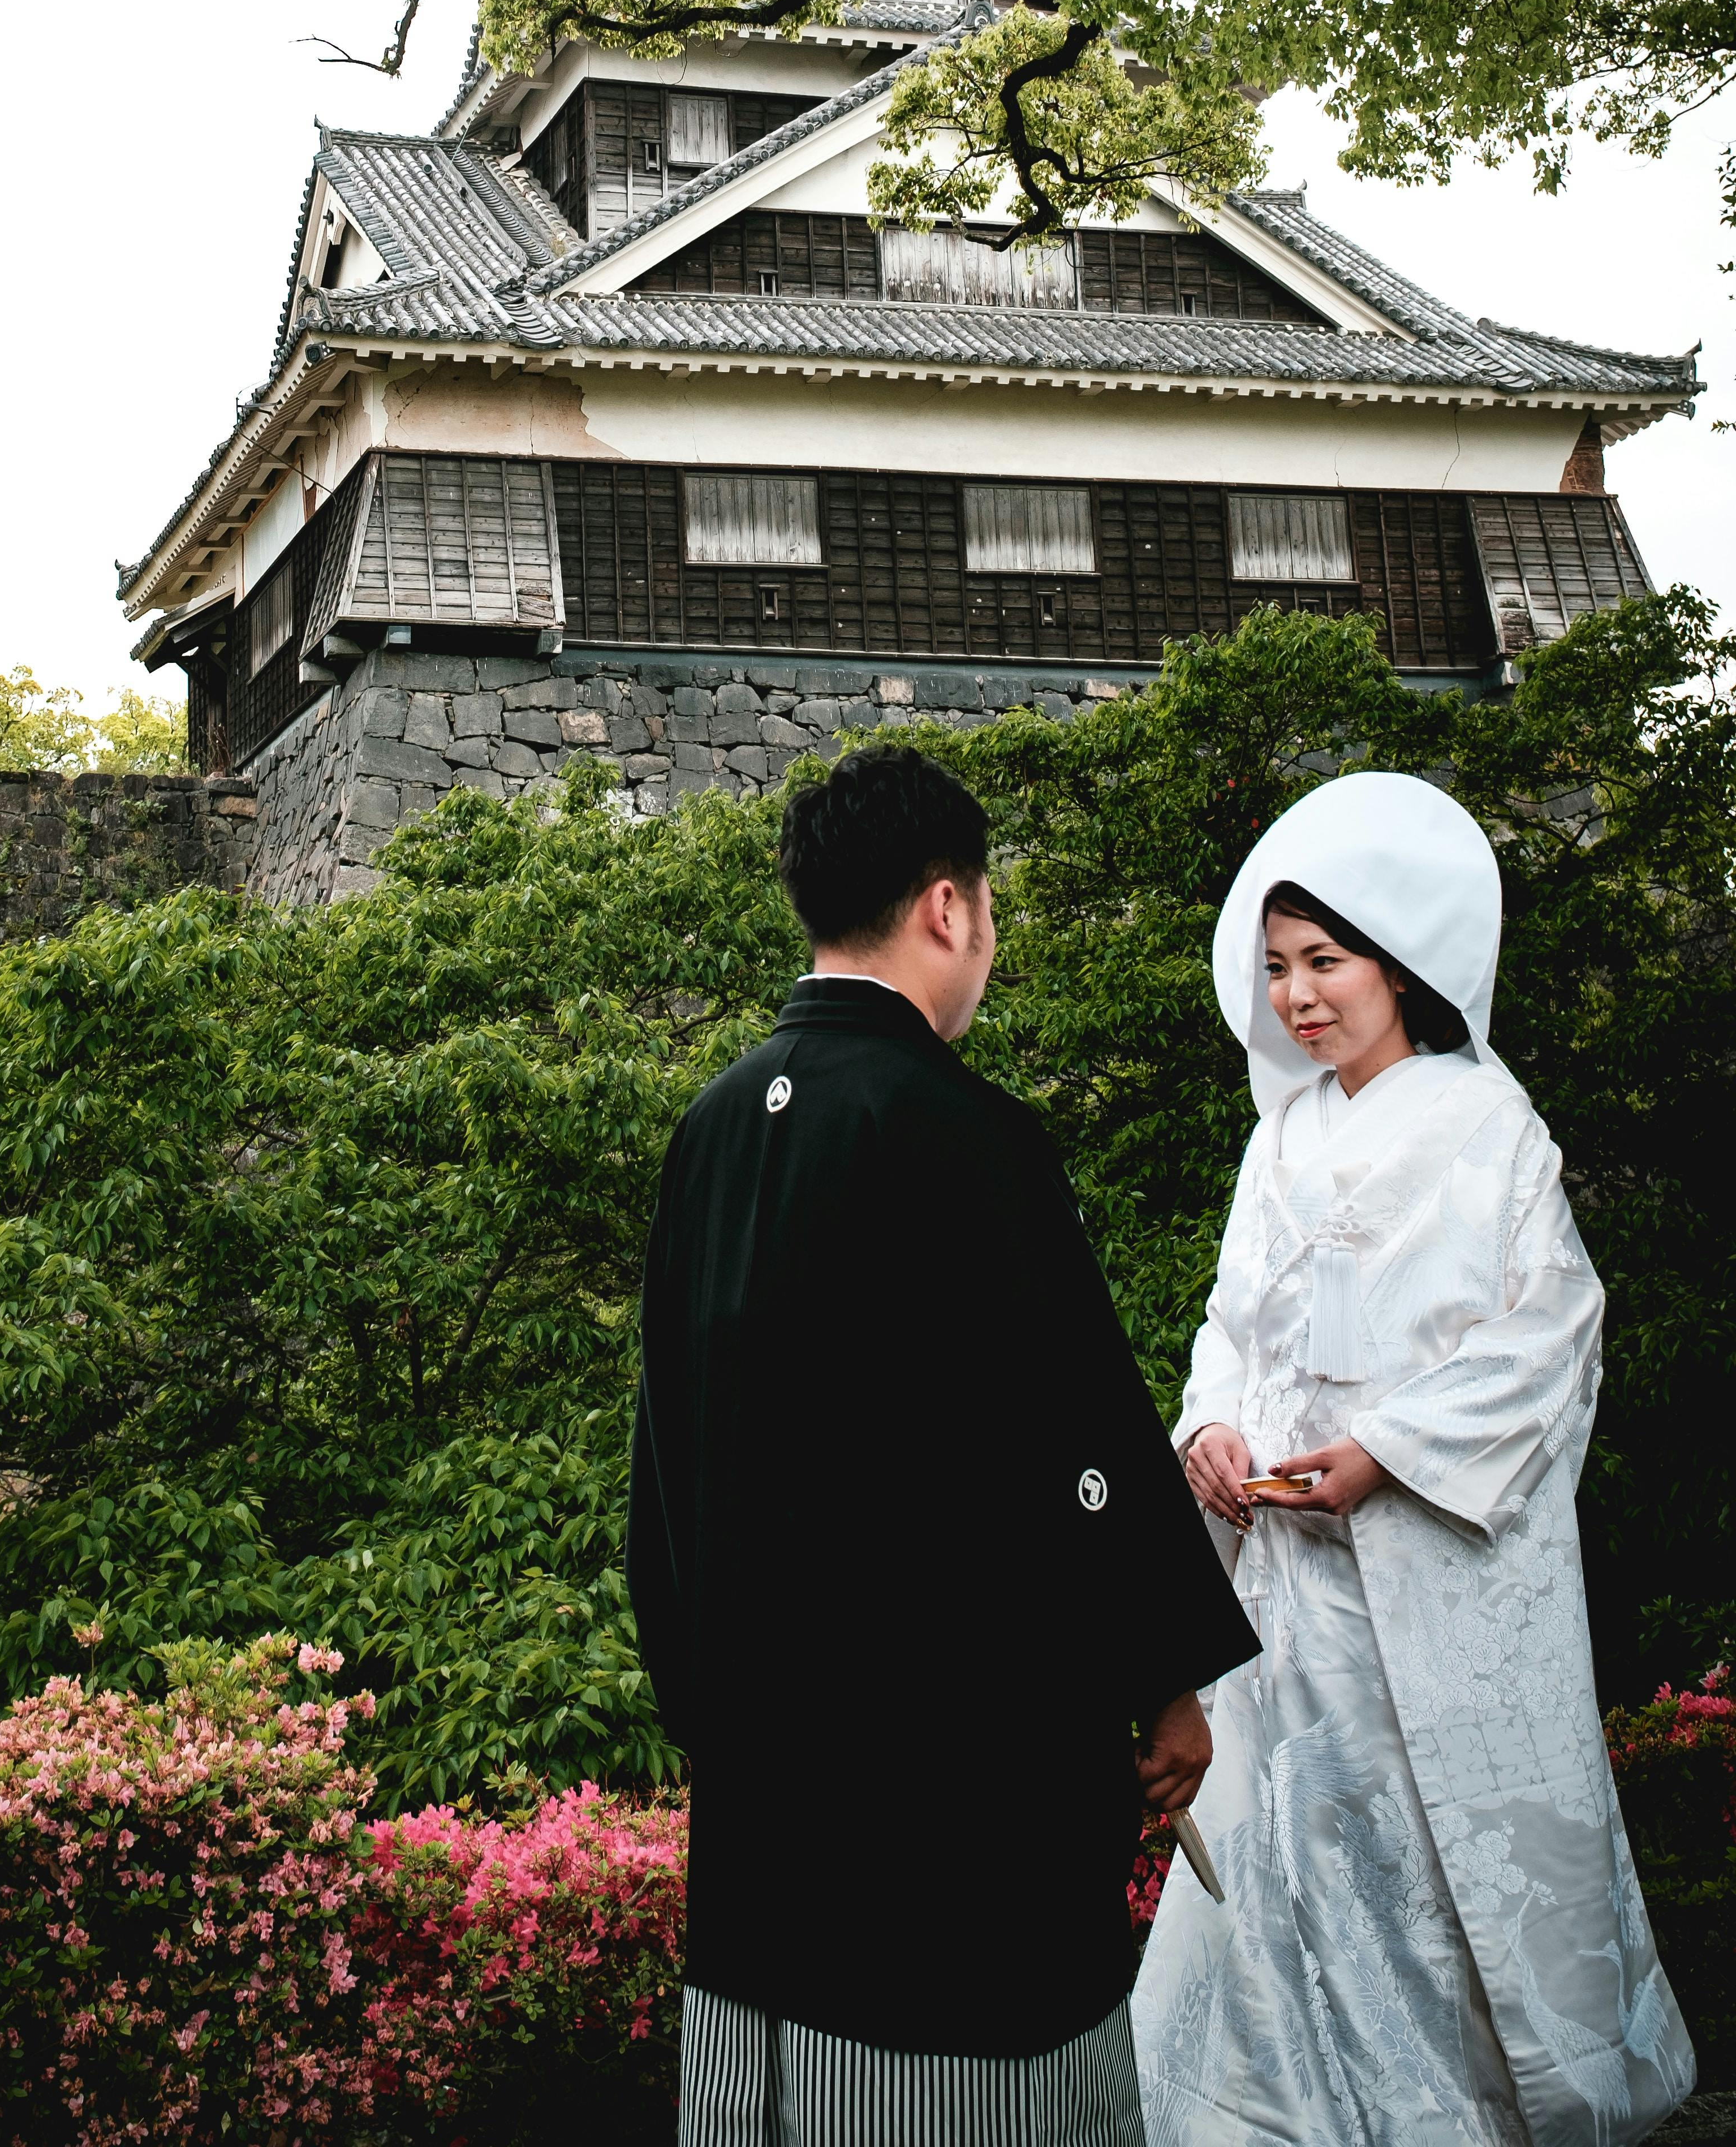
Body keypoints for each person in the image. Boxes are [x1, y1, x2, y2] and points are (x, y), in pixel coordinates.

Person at [628, 747, 1260, 2146]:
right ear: (946, 908)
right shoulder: (963, 1134)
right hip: (947, 1797)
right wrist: (1161, 1680)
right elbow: (1075, 1457)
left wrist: (708, 1708)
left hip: (762, 1784)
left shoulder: (713, 1127)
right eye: (986, 905)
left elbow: (660, 1462)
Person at [1132, 769, 1695, 2146]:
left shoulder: (1484, 1125)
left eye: (1325, 960)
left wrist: (1385, 1451)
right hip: (1284, 1592)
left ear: (1400, 962)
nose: (1295, 995)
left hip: (1420, 1590)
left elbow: (1549, 1333)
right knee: (1275, 1872)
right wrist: (1209, 1430)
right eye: (1273, 967)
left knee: (1419, 1876)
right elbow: (1227, 1325)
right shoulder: (1278, 1141)